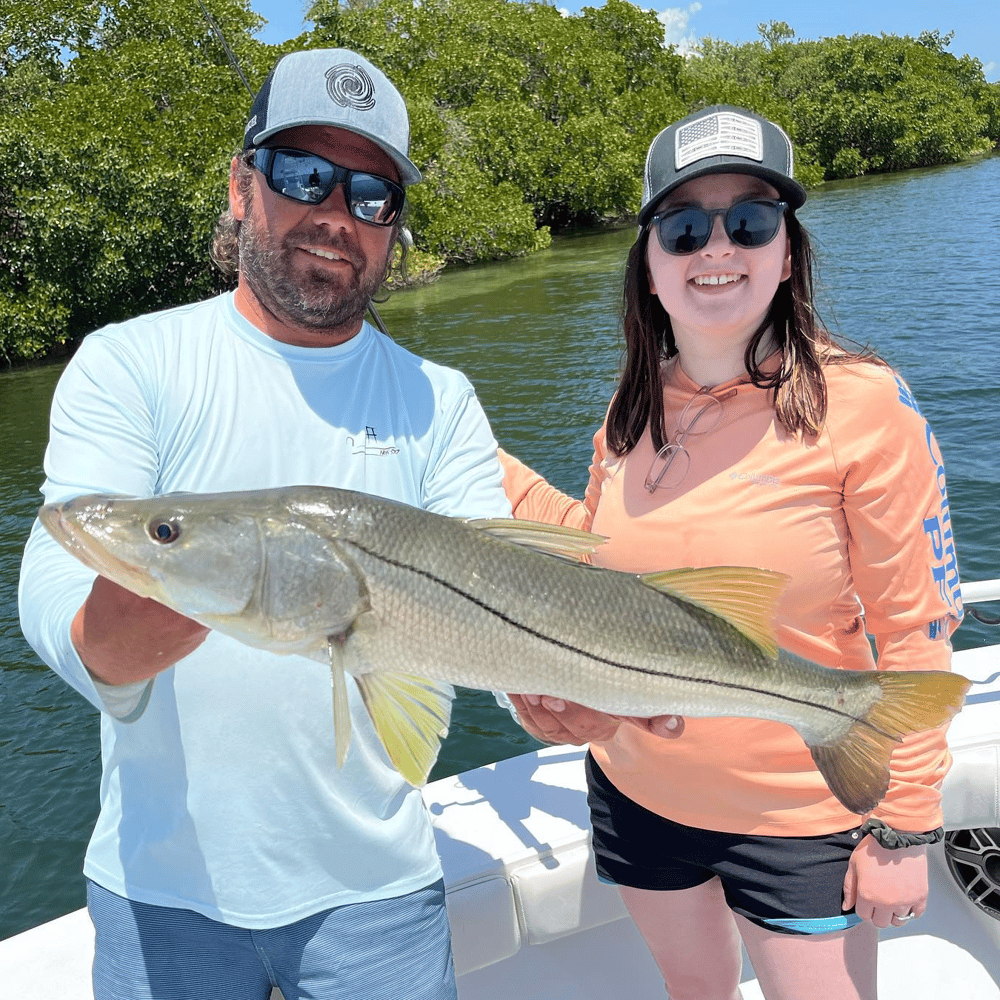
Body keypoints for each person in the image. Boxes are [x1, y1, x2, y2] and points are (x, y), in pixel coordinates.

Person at [18, 48, 510, 1000]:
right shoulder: (131, 362)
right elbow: (56, 572)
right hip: (161, 891)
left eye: (373, 193)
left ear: (394, 227)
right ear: (243, 186)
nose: (337, 213)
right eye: (303, 175)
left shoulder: (439, 399)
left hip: (380, 895)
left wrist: (562, 695)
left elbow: (493, 601)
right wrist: (111, 645)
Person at [500, 105, 963, 1000]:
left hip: (800, 814)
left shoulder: (866, 407)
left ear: (787, 253)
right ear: (652, 267)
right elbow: (597, 563)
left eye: (749, 221)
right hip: (636, 791)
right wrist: (472, 450)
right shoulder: (630, 412)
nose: (716, 247)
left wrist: (905, 827)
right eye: (683, 227)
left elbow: (918, 628)